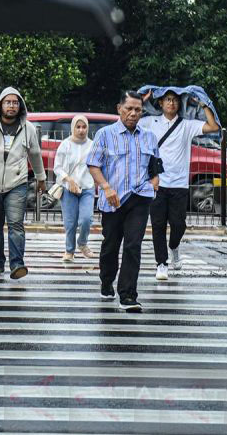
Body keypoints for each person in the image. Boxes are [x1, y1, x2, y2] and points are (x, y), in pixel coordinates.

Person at [86, 91, 159, 312]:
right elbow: (93, 164)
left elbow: (156, 166)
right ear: (119, 109)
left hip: (140, 198)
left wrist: (154, 181)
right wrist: (106, 187)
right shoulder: (105, 134)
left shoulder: (149, 137)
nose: (133, 113)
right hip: (113, 199)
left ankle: (128, 295)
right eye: (129, 109)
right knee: (111, 245)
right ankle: (107, 280)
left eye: (138, 110)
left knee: (133, 245)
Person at [140, 90, 220, 281]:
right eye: (168, 100)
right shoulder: (150, 122)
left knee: (179, 225)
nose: (172, 103)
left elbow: (213, 126)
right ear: (160, 103)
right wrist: (141, 102)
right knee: (158, 225)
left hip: (179, 184)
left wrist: (203, 105)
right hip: (157, 183)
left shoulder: (186, 125)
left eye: (175, 100)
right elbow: (129, 119)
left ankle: (174, 247)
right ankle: (161, 264)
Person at [0, 87, 46, 279]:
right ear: (0, 105)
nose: (11, 106)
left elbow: (35, 154)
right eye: (7, 102)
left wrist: (41, 178)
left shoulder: (28, 128)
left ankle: (17, 264)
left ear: (20, 106)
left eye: (15, 102)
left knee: (15, 225)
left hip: (17, 183)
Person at [53, 114, 96, 262]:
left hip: (87, 187)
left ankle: (82, 243)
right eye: (78, 127)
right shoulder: (65, 144)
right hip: (68, 189)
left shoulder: (92, 145)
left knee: (86, 219)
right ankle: (69, 250)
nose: (81, 130)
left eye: (84, 127)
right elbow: (57, 167)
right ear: (73, 128)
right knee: (70, 222)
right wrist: (68, 179)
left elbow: (98, 165)